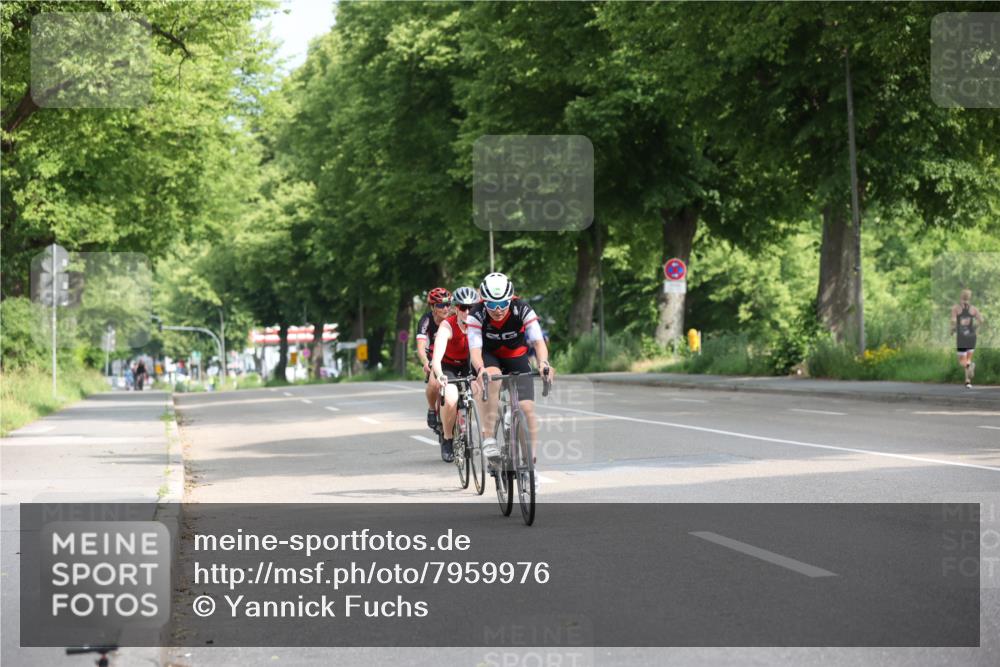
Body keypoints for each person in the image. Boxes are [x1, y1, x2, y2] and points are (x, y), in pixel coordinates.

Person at [467, 272, 554, 471]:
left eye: (503, 304)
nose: (497, 310)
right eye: (491, 305)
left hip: (516, 357)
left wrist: (543, 363)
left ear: (511, 299)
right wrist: (480, 370)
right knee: (492, 378)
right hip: (489, 356)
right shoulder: (476, 314)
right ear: (484, 302)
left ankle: (530, 464)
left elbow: (538, 342)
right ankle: (489, 438)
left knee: (527, 409)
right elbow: (474, 350)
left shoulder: (522, 309)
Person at [431, 286, 480, 463]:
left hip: (470, 365)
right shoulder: (447, 326)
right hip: (449, 366)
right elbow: (436, 359)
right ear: (456, 308)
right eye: (462, 307)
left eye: (471, 308)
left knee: (481, 392)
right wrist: (439, 375)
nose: (467, 312)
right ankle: (448, 438)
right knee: (450, 398)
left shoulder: (480, 324)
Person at [416, 287, 452, 431]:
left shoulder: (454, 317)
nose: (446, 308)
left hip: (453, 355)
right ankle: (432, 408)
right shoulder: (426, 320)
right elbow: (421, 345)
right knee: (433, 383)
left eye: (448, 304)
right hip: (434, 356)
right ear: (433, 307)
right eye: (441, 305)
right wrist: (425, 361)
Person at [951, 289, 983, 388]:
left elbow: (953, 321)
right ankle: (967, 381)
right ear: (970, 297)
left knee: (962, 360)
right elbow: (981, 320)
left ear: (961, 296)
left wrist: (952, 330)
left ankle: (971, 367)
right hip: (972, 336)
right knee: (968, 358)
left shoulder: (956, 308)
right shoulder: (974, 309)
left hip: (961, 337)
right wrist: (976, 330)